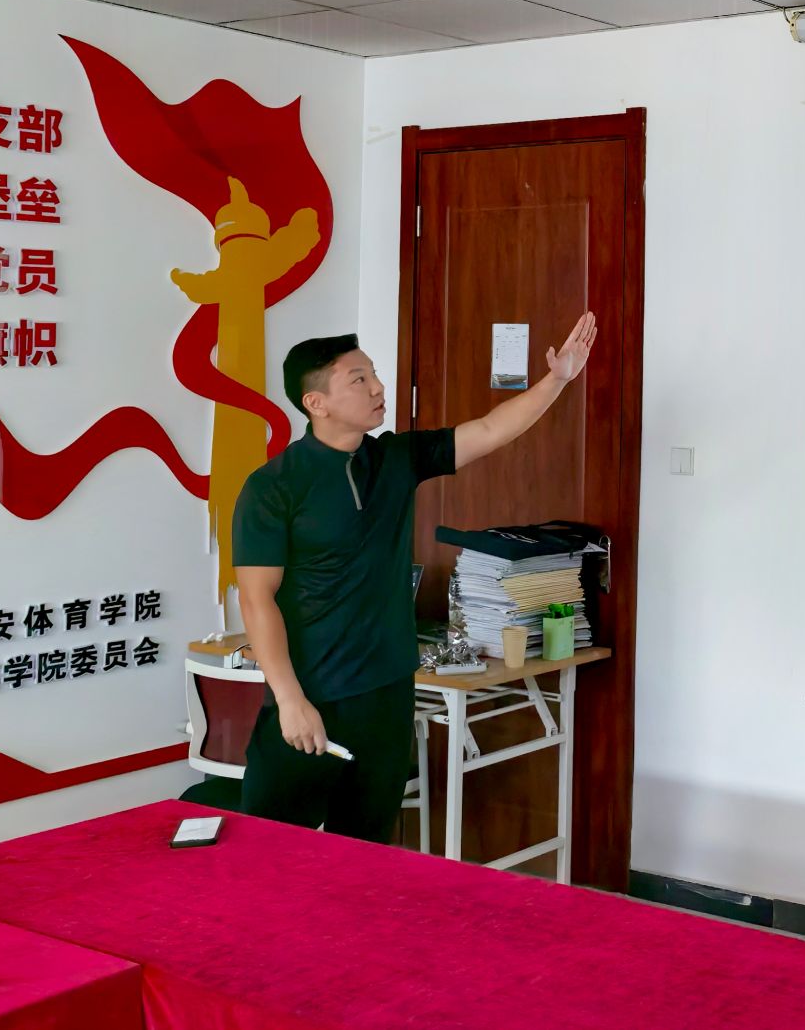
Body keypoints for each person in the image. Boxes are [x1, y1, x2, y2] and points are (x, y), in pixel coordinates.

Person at [233, 315, 597, 841]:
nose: (378, 387)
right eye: (359, 379)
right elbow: (256, 600)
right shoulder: (273, 487)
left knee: (368, 851)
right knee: (267, 851)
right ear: (317, 403)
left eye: (374, 374)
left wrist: (557, 380)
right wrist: (289, 700)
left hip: (386, 695)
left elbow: (490, 430)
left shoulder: (396, 459)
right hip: (311, 695)